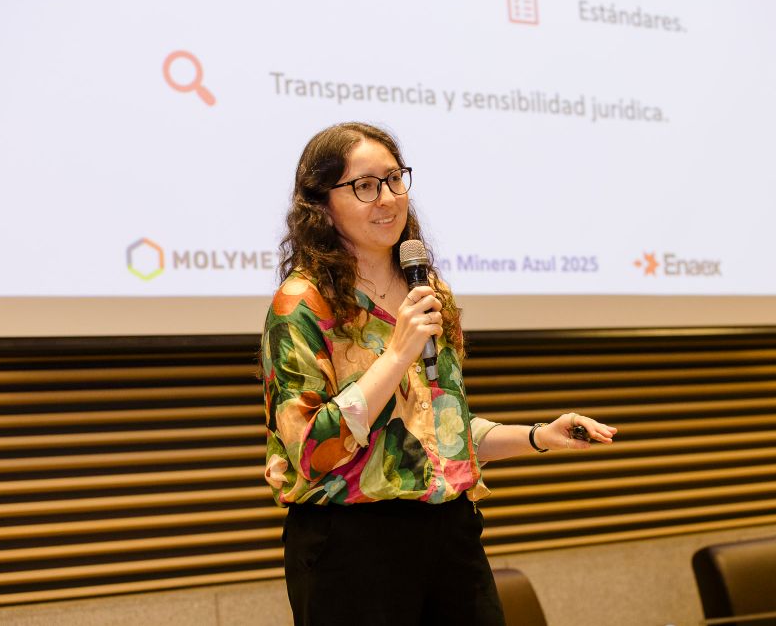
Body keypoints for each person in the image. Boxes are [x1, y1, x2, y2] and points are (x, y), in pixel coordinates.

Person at [261, 122, 617, 625]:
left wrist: (538, 436)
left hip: (451, 536)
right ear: (321, 203)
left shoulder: (427, 292)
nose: (387, 198)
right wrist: (396, 355)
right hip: (352, 548)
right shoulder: (302, 304)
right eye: (365, 186)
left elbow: (439, 431)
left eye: (394, 179)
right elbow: (311, 451)